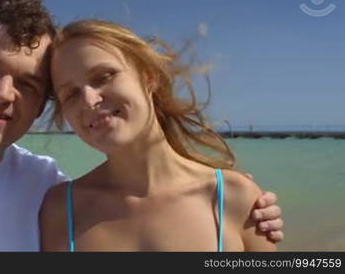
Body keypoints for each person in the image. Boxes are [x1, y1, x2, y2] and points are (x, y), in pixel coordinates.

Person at [0, 0, 282, 252]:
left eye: (26, 83)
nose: (3, 94)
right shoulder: (61, 208)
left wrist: (242, 198)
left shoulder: (45, 189)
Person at [40, 20, 277, 251]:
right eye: (71, 94)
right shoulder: (62, 210)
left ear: (148, 76)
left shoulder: (233, 197)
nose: (89, 101)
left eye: (104, 76)